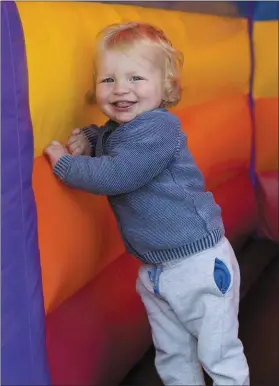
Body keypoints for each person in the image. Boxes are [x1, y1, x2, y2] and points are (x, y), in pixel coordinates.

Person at [44, 22, 249, 385]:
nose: (120, 89)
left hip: (198, 264)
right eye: (108, 80)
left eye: (136, 78)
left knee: (218, 354)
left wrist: (65, 164)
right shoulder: (121, 129)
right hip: (157, 269)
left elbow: (119, 173)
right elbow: (111, 138)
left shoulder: (159, 129)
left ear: (165, 86)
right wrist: (90, 138)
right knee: (173, 356)